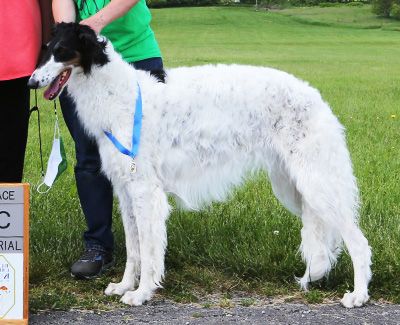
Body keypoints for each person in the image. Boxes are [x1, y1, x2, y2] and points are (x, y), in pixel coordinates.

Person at [52, 0, 163, 279]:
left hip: (137, 55)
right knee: (89, 159)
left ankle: (148, 247)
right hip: (84, 64)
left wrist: (94, 24)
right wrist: (67, 33)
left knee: (142, 158)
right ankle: (98, 246)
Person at [0, 1, 53, 183]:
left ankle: (7, 208)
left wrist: (46, 44)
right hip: (17, 48)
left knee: (10, 144)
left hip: (15, 48)